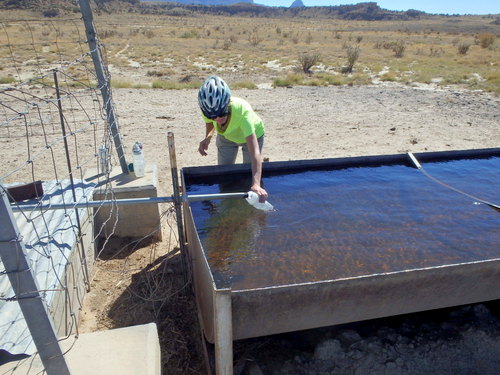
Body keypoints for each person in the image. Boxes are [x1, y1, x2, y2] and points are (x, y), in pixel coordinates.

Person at [197, 75, 268, 202]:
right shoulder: (208, 109)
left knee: (249, 174)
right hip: (227, 136)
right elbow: (209, 122)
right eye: (213, 116)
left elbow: (254, 152)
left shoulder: (242, 111)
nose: (217, 119)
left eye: (221, 114)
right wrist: (207, 138)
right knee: (225, 173)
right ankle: (229, 202)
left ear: (227, 104)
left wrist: (256, 184)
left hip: (253, 135)